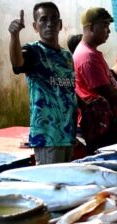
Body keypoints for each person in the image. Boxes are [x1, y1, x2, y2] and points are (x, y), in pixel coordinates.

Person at [8, 2, 76, 164]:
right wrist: (14, 36)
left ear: (60, 24)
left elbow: (69, 93)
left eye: (54, 19)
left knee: (66, 185)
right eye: (43, 19)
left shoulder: (67, 56)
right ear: (35, 26)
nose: (49, 23)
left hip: (68, 134)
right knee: (51, 185)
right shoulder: (33, 51)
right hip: (47, 137)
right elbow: (18, 62)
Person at [73, 7, 117, 155]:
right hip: (99, 128)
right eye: (105, 26)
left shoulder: (91, 53)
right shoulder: (87, 56)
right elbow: (105, 89)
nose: (108, 31)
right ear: (90, 27)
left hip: (104, 125)